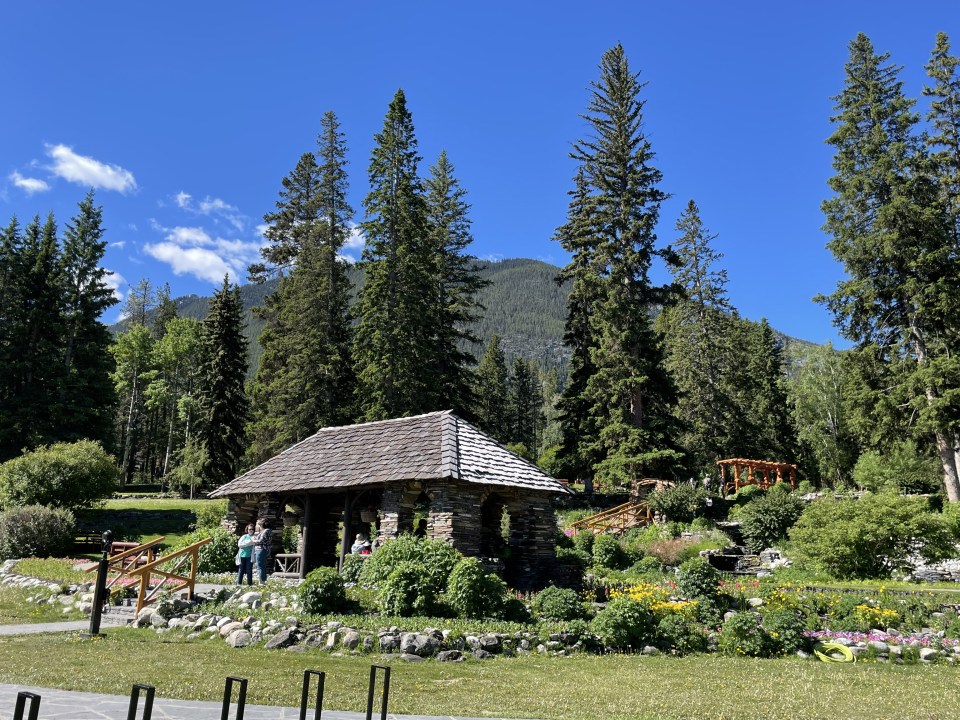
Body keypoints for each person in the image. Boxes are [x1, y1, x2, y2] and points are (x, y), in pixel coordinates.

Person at [253, 519, 273, 584]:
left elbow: (261, 541)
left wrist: (254, 540)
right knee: (263, 566)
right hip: (264, 550)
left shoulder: (265, 531)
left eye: (260, 524)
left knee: (260, 566)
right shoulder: (269, 531)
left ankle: (261, 582)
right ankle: (263, 581)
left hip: (261, 550)